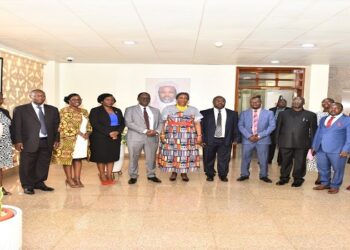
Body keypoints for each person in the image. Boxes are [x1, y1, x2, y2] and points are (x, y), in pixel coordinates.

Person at [12, 89, 60, 195]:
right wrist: (18, 141)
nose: (41, 98)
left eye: (43, 96)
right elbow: (17, 126)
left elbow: (57, 127)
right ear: (31, 96)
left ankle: (39, 183)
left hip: (47, 141)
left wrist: (57, 139)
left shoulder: (53, 110)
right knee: (27, 164)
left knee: (43, 163)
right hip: (28, 141)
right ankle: (27, 185)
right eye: (37, 95)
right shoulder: (20, 109)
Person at [158, 92, 202, 181]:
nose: (183, 99)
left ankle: (184, 173)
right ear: (176, 99)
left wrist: (199, 135)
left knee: (185, 155)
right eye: (181, 97)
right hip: (171, 136)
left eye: (185, 98)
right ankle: (173, 172)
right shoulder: (168, 108)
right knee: (172, 153)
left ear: (188, 100)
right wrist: (162, 134)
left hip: (188, 137)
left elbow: (197, 123)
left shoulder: (193, 109)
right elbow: (162, 122)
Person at [275, 96, 317, 187]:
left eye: (299, 100)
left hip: (302, 143)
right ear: (292, 102)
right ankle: (284, 178)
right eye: (295, 100)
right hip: (285, 142)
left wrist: (314, 144)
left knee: (300, 162)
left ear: (303, 102)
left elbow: (314, 131)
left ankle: (298, 179)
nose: (296, 102)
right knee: (285, 161)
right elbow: (278, 128)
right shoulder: (283, 114)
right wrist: (277, 141)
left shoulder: (311, 115)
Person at [52, 93, 92, 188]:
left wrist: (88, 132)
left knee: (78, 159)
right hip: (68, 139)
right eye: (74, 99)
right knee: (67, 160)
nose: (77, 101)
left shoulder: (84, 111)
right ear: (68, 101)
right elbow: (63, 125)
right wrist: (80, 133)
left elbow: (89, 125)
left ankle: (77, 179)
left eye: (78, 99)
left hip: (82, 140)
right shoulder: (64, 111)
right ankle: (69, 179)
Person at [124, 92, 163, 184]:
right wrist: (145, 131)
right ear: (138, 99)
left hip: (152, 137)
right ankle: (133, 176)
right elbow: (128, 123)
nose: (145, 99)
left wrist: (156, 131)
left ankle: (151, 175)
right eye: (143, 98)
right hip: (135, 138)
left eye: (147, 98)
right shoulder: (130, 109)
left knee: (151, 158)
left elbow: (161, 122)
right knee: (133, 157)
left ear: (149, 99)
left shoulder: (156, 110)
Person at [312, 102, 350, 194]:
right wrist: (314, 146)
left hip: (338, 150)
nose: (333, 109)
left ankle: (335, 185)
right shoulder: (323, 119)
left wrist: (346, 149)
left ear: (341, 109)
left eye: (336, 108)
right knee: (322, 167)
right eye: (331, 108)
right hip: (321, 148)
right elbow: (318, 133)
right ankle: (325, 183)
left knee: (338, 169)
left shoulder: (347, 120)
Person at [237, 95, 275, 183]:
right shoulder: (244, 113)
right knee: (245, 158)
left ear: (260, 103)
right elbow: (240, 125)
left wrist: (259, 136)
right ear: (250, 103)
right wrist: (249, 136)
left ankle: (264, 175)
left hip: (263, 140)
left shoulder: (269, 113)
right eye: (252, 102)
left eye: (257, 102)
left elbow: (272, 126)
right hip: (247, 139)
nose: (255, 103)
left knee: (263, 159)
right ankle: (244, 174)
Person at [200, 96, 239, 182]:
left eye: (222, 101)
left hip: (225, 140)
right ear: (213, 102)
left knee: (224, 159)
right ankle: (209, 174)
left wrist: (236, 138)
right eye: (218, 101)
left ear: (225, 102)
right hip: (209, 140)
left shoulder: (233, 113)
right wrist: (201, 140)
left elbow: (235, 127)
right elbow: (201, 127)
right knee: (208, 158)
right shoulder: (204, 113)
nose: (220, 102)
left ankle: (223, 175)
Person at [89, 93, 125, 185]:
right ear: (102, 101)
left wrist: (117, 132)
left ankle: (109, 175)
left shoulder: (117, 110)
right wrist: (109, 133)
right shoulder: (95, 110)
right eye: (107, 99)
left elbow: (122, 123)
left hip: (115, 137)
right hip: (100, 137)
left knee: (111, 156)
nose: (110, 101)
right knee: (101, 157)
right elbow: (95, 124)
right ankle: (102, 175)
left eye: (112, 100)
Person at [313, 98, 334, 184]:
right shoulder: (317, 114)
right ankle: (320, 177)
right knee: (320, 162)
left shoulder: (337, 115)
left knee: (331, 161)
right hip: (319, 142)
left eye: (328, 102)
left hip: (332, 142)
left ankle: (329, 179)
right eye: (324, 101)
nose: (326, 103)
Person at [268, 97, 290, 165]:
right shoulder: (271, 110)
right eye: (281, 102)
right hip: (272, 131)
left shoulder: (289, 110)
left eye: (284, 102)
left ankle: (280, 161)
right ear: (277, 103)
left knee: (281, 146)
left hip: (283, 131)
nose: (282, 103)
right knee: (271, 146)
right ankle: (268, 160)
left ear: (286, 104)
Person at [0, 93, 13, 195]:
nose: (0, 99)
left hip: (4, 144)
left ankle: (0, 189)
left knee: (0, 167)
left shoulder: (4, 111)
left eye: (1, 97)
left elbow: (11, 126)